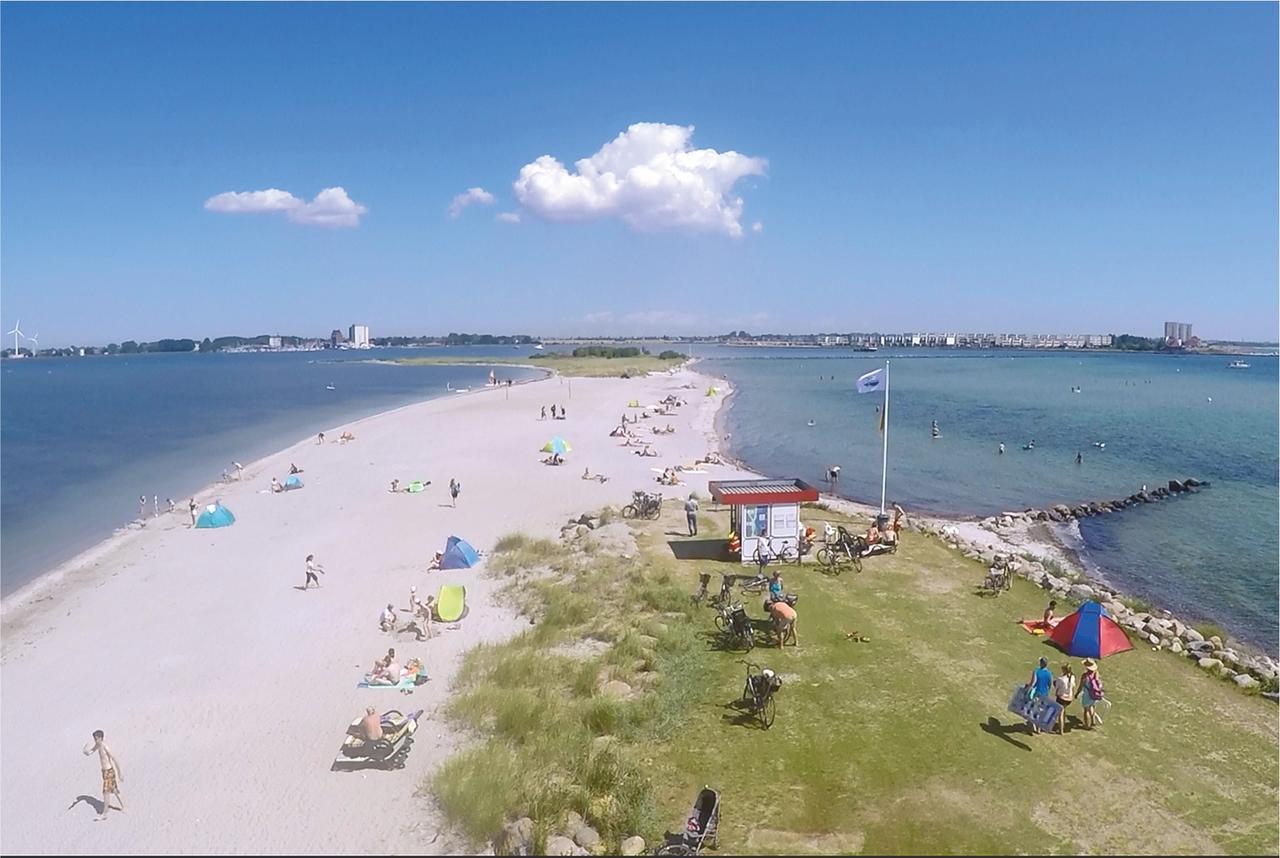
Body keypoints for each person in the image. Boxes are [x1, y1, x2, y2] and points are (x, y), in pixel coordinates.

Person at [82, 730, 123, 821]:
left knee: (105, 792)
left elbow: (115, 759)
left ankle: (104, 813)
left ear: (101, 738)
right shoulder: (98, 745)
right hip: (104, 772)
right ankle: (124, 806)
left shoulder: (105, 747)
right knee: (114, 790)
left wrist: (120, 774)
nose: (96, 741)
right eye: (95, 739)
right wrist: (85, 751)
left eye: (97, 739)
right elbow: (91, 752)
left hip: (109, 771)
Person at [1025, 657, 1054, 734]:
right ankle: (1039, 729)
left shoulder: (1037, 671)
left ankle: (1033, 726)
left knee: (1034, 710)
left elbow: (1033, 683)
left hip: (1037, 693)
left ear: (1041, 663)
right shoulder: (1049, 673)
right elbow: (1050, 684)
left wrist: (1028, 688)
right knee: (1041, 711)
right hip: (1045, 694)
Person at [1079, 658, 1104, 729]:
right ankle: (1093, 721)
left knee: (1086, 709)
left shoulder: (1085, 676)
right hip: (1094, 693)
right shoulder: (1096, 673)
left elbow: (1080, 686)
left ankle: (1087, 725)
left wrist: (1077, 693)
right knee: (1092, 706)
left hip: (1087, 693)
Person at [1053, 663, 1076, 735]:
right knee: (1063, 710)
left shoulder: (1061, 679)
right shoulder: (1072, 677)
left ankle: (1061, 730)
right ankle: (1063, 725)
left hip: (1062, 698)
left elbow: (1057, 688)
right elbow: (1073, 687)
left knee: (1060, 713)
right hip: (1069, 698)